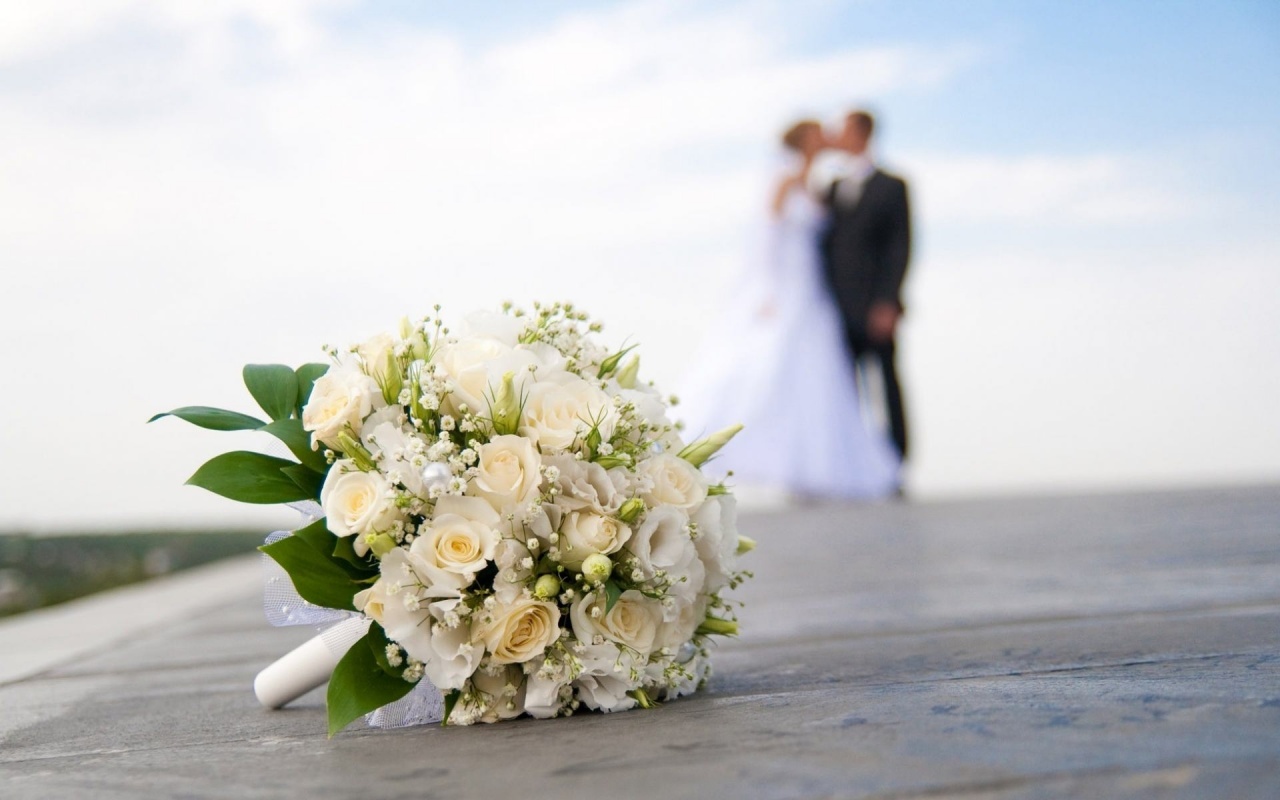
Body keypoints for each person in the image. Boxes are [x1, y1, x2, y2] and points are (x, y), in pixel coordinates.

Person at [677, 119, 900, 500]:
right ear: (801, 142)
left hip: (815, 291)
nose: (826, 139)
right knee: (770, 370)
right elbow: (766, 237)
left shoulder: (819, 185)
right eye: (818, 135)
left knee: (818, 379)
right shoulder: (782, 180)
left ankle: (813, 469)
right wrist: (767, 290)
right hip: (786, 288)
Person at [810, 110, 912, 461]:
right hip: (835, 308)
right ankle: (851, 464)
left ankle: (897, 462)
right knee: (842, 390)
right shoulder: (832, 189)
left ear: (863, 133)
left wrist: (888, 302)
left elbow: (900, 247)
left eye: (845, 130)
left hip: (875, 306)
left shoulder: (893, 185)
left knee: (886, 385)